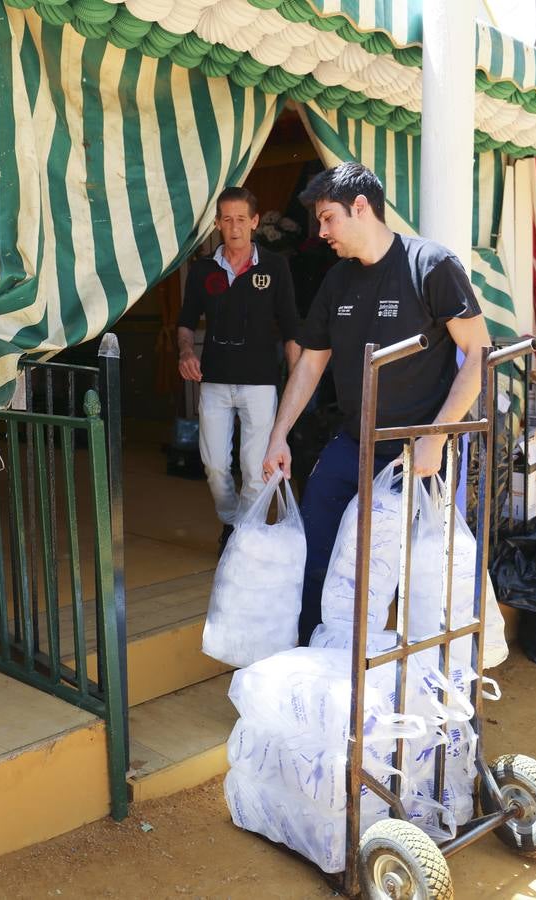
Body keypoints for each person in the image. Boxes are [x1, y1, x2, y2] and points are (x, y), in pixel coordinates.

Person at [262, 163, 490, 645]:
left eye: (328, 219)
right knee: (318, 545)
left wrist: (437, 436)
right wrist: (279, 434)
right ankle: (315, 660)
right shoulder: (337, 281)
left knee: (414, 570)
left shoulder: (430, 265)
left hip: (419, 452)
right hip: (354, 441)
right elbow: (310, 363)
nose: (322, 232)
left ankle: (422, 679)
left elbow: (479, 356)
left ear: (360, 207)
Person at [178, 186, 300, 555]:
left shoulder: (275, 267)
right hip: (213, 381)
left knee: (254, 468)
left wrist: (296, 385)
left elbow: (293, 330)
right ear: (216, 223)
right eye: (227, 219)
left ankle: (243, 537)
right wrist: (185, 351)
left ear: (255, 222)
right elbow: (185, 323)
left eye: (241, 219)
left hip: (260, 382)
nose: (234, 227)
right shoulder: (202, 271)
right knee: (214, 465)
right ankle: (232, 521)